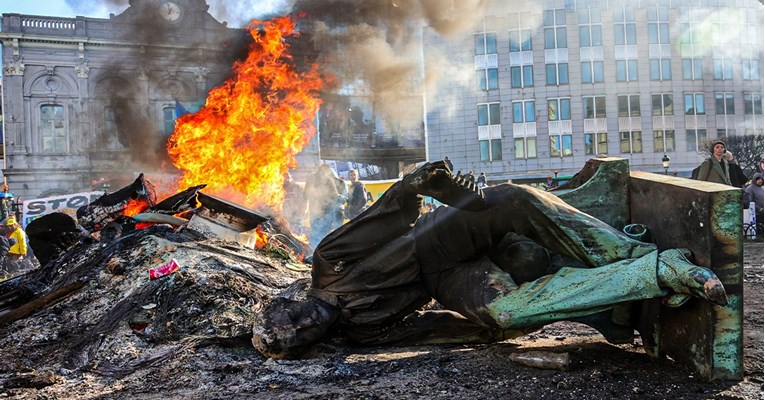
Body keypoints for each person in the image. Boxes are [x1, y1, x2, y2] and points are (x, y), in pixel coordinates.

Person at [253, 161, 728, 359]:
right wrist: (497, 328)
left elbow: (387, 214)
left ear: (287, 300)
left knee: (515, 198)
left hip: (434, 239)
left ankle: (635, 254)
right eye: (298, 338)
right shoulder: (357, 332)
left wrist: (421, 183)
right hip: (449, 277)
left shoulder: (329, 263)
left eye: (290, 319)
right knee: (507, 308)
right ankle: (654, 273)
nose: (302, 325)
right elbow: (436, 327)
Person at [304, 164, 346, 248]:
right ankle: (316, 251)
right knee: (319, 232)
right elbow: (334, 195)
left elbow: (334, 195)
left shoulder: (326, 179)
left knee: (320, 232)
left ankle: (317, 250)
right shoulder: (322, 179)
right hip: (319, 211)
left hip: (322, 211)